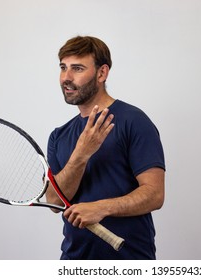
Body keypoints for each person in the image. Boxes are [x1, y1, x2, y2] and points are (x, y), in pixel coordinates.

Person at [46, 36, 165, 260]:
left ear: (102, 73)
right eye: (63, 68)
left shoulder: (134, 121)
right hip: (73, 260)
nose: (66, 78)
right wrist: (81, 154)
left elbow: (155, 194)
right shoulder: (59, 136)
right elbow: (54, 202)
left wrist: (101, 208)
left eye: (78, 68)